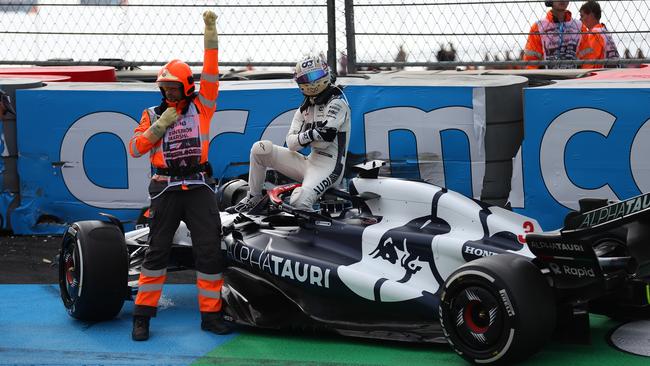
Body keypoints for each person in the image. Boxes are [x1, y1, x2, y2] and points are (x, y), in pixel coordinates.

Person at [127, 10, 229, 341]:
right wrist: (160, 124)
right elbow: (136, 147)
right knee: (156, 251)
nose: (168, 94)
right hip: (164, 188)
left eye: (173, 88)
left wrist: (210, 31)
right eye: (164, 88)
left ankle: (211, 315)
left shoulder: (203, 105)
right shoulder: (151, 114)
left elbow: (212, 70)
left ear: (186, 87)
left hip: (198, 186)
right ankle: (142, 316)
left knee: (209, 249)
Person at [230, 55, 351, 213]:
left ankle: (318, 231)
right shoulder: (304, 109)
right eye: (305, 78)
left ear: (325, 73)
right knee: (260, 149)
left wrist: (305, 137)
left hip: (330, 169)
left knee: (298, 202)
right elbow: (292, 144)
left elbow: (325, 140)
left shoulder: (337, 103)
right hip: (309, 163)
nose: (311, 82)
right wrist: (313, 134)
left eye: (314, 76)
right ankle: (254, 197)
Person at [524, 1, 582, 69]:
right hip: (548, 78)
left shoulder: (579, 26)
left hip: (574, 77)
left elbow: (588, 58)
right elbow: (531, 63)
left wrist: (585, 79)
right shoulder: (538, 27)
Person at [577, 0, 619, 68]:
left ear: (591, 15)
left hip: (596, 75)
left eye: (582, 16)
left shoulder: (593, 34)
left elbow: (590, 61)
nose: (580, 19)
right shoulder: (604, 32)